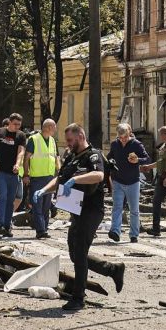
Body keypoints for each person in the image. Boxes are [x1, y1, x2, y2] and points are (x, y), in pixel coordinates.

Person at [34, 123, 124, 310]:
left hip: (92, 210)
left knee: (80, 253)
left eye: (70, 140)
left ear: (81, 136)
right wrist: (44, 190)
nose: (67, 144)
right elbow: (59, 179)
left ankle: (78, 297)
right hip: (76, 209)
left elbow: (99, 175)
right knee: (75, 253)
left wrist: (76, 179)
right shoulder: (71, 157)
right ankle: (112, 269)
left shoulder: (94, 155)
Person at [107, 122, 149, 243]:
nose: (123, 140)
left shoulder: (136, 144)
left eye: (125, 137)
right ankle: (115, 231)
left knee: (134, 209)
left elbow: (147, 158)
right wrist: (110, 162)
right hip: (118, 181)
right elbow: (110, 157)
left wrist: (137, 160)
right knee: (117, 207)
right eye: (120, 138)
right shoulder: (115, 144)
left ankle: (134, 234)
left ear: (129, 133)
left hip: (133, 182)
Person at [0, 113, 26, 238]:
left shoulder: (21, 136)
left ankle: (7, 225)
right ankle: (0, 224)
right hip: (0, 171)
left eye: (19, 125)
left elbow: (21, 152)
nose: (17, 127)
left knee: (11, 200)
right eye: (15, 124)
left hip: (13, 173)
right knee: (2, 196)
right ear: (9, 122)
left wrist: (17, 164)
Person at [24, 119, 60, 239]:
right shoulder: (34, 139)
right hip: (37, 178)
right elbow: (26, 158)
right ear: (48, 127)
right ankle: (40, 230)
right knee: (37, 205)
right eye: (54, 127)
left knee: (46, 206)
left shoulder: (52, 141)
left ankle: (44, 228)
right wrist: (26, 174)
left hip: (50, 178)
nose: (55, 129)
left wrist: (59, 171)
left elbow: (55, 158)